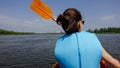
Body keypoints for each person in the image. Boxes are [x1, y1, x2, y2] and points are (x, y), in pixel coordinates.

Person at [54, 8, 120, 68]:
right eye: (83, 22)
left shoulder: (59, 42)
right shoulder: (92, 38)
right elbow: (116, 65)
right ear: (79, 24)